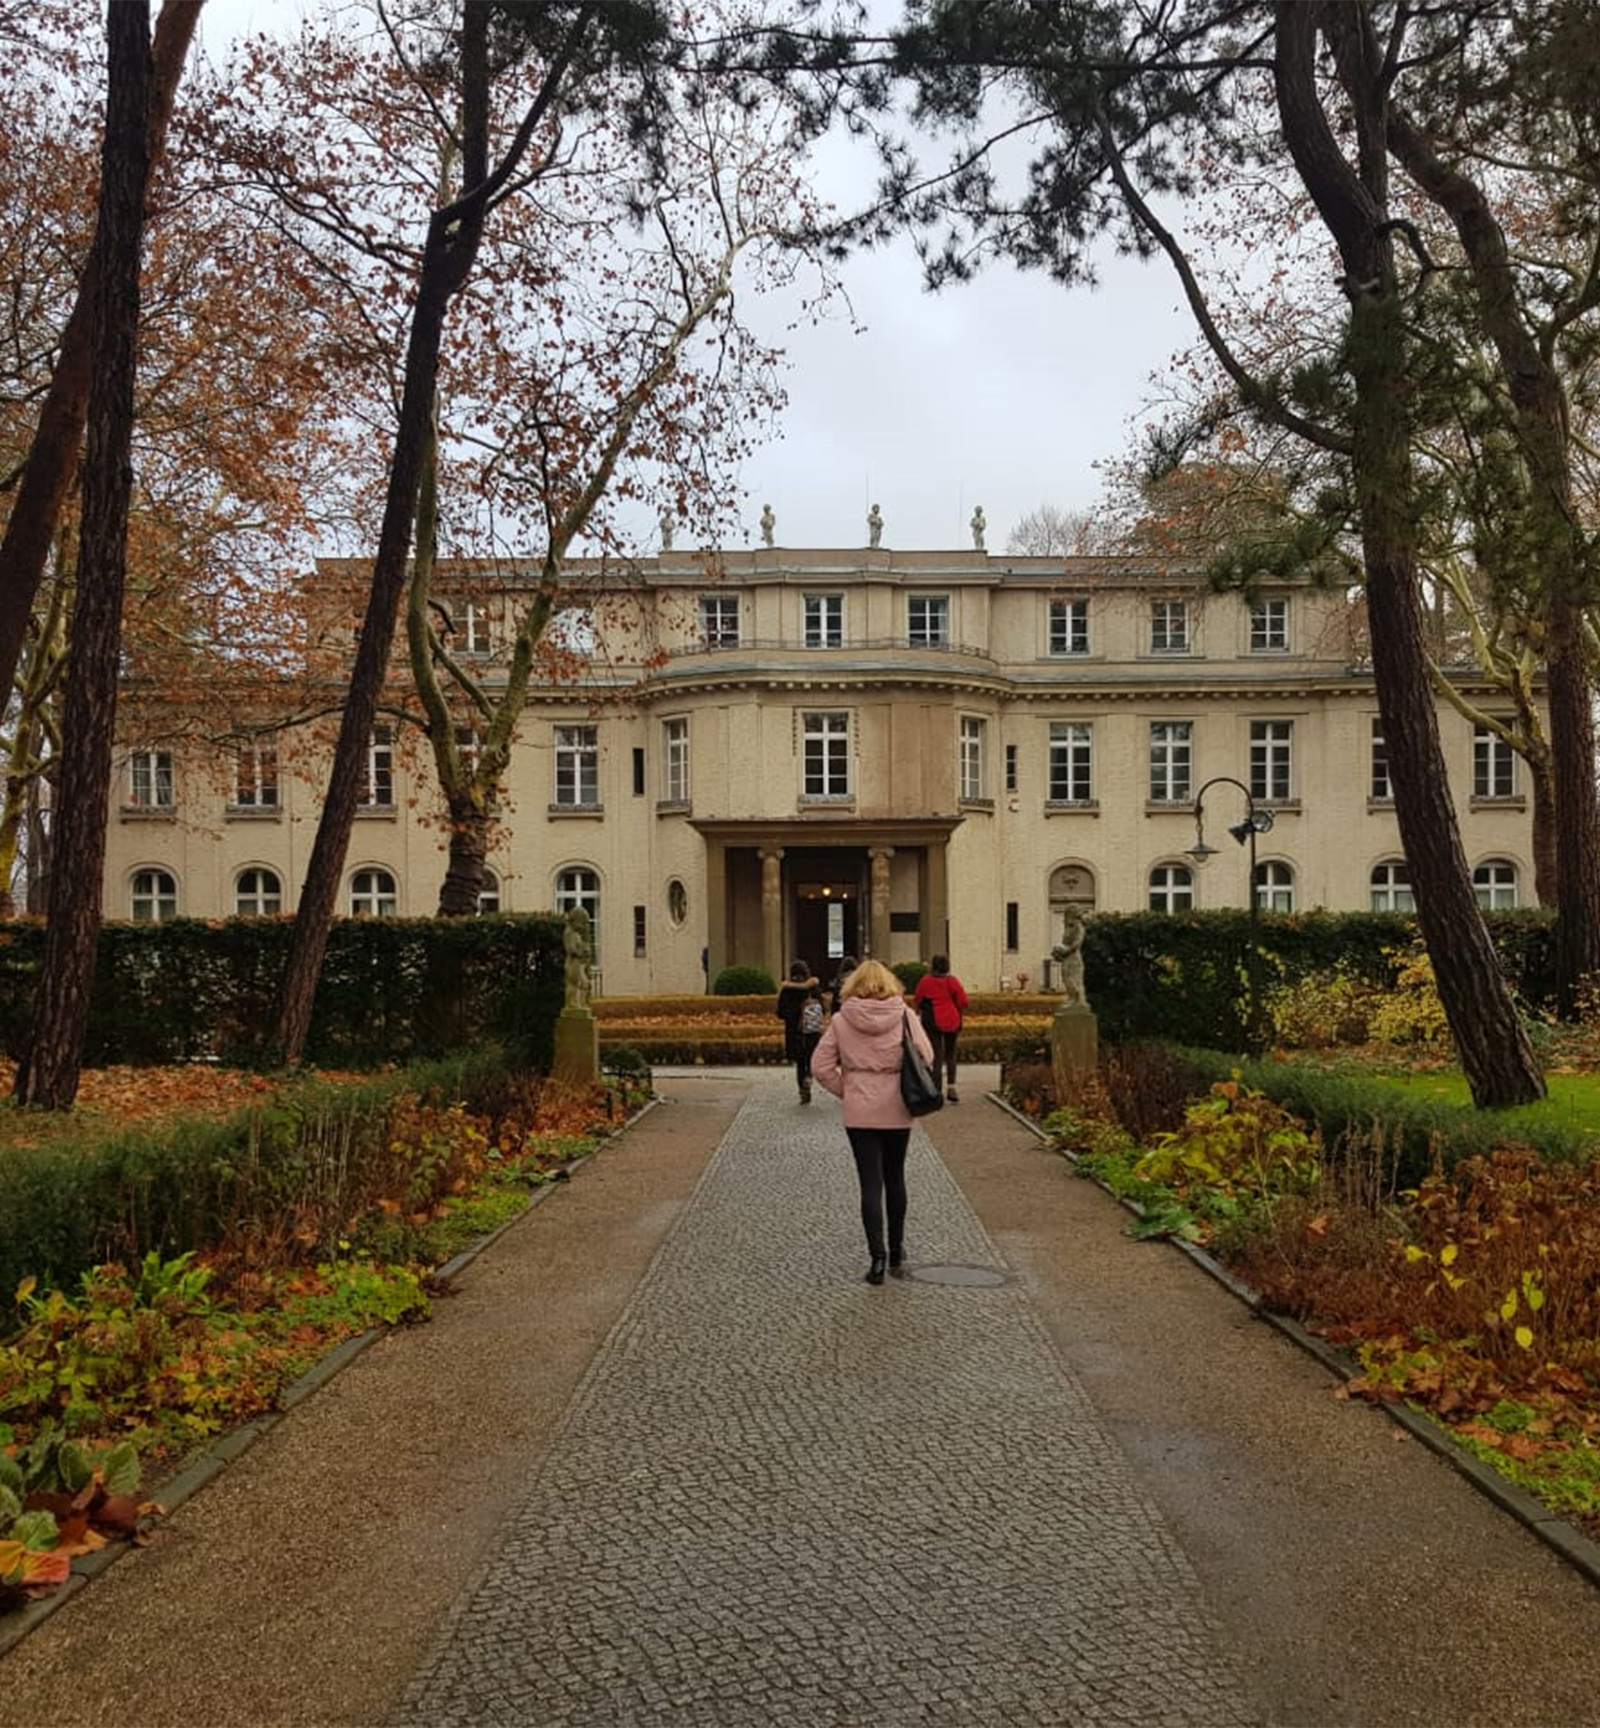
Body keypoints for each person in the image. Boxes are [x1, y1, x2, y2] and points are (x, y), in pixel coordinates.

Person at [810, 958, 935, 1286]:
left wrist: (848, 1089)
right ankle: (896, 1250)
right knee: (896, 1178)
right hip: (897, 1106)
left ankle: (876, 1259)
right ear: (890, 984)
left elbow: (820, 1066)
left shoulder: (841, 1020)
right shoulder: (905, 1015)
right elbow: (927, 1055)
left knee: (870, 1183)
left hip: (860, 1110)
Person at [913, 953, 969, 1102]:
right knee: (951, 1053)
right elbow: (963, 1001)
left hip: (932, 1021)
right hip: (952, 1019)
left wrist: (917, 1013)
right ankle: (952, 1087)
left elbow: (917, 999)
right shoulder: (952, 981)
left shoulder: (926, 981)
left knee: (936, 1055)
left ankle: (937, 1091)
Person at [775, 960, 815, 1103]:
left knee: (800, 1063)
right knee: (810, 1058)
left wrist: (792, 1014)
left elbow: (780, 1012)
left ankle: (802, 1090)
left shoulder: (787, 990)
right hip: (811, 1030)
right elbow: (822, 1006)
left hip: (794, 1031)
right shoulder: (813, 988)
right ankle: (809, 1077)